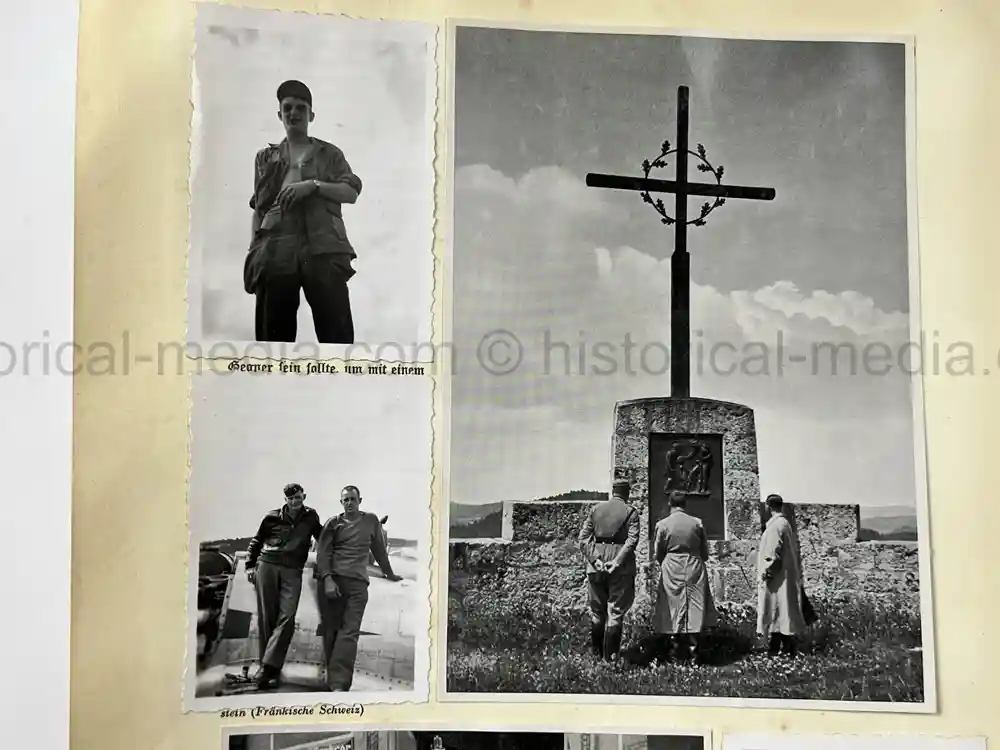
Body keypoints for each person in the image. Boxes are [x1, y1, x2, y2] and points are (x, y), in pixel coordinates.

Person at [244, 79, 364, 344]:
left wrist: (312, 186)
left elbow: (351, 192)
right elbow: (259, 209)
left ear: (311, 114)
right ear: (279, 115)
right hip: (275, 249)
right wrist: (255, 247)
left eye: (300, 107)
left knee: (337, 338)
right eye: (287, 108)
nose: (293, 113)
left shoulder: (329, 154)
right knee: (272, 343)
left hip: (321, 247)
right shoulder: (265, 158)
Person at [315, 485, 403, 690]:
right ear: (341, 503)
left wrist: (389, 573)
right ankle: (332, 681)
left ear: (360, 500)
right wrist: (327, 579)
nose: (349, 503)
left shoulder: (371, 521)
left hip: (357, 584)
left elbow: (379, 550)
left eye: (352, 499)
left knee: (349, 632)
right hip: (333, 583)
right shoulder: (333, 523)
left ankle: (339, 685)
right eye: (345, 500)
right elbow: (322, 554)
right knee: (332, 632)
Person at [244, 482, 323, 689]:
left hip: (292, 570)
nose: (295, 502)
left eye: (298, 498)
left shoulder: (311, 517)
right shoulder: (271, 516)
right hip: (267, 566)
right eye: (291, 499)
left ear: (304, 496)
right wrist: (250, 566)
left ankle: (266, 668)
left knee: (287, 618)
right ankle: (270, 674)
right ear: (285, 499)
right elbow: (256, 541)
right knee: (267, 620)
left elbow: (323, 537)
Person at [577, 478, 640, 660]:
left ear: (613, 491)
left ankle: (596, 655)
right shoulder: (630, 512)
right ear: (627, 493)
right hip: (620, 568)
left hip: (595, 566)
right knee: (616, 612)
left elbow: (583, 539)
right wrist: (618, 561)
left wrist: (595, 560)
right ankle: (611, 658)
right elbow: (632, 541)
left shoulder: (596, 510)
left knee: (597, 612)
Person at [652, 490, 717, 661]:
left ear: (670, 504)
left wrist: (665, 562)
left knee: (672, 605)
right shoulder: (697, 523)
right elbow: (705, 552)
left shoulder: (663, 524)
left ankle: (674, 650)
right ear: (685, 504)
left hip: (672, 565)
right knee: (694, 606)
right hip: (694, 565)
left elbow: (658, 552)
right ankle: (694, 651)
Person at [757, 493, 807, 655]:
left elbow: (772, 552)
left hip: (777, 577)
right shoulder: (784, 523)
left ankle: (784, 648)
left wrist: (766, 571)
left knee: (776, 611)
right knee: (781, 613)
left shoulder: (775, 526)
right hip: (784, 576)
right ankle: (780, 647)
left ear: (768, 507)